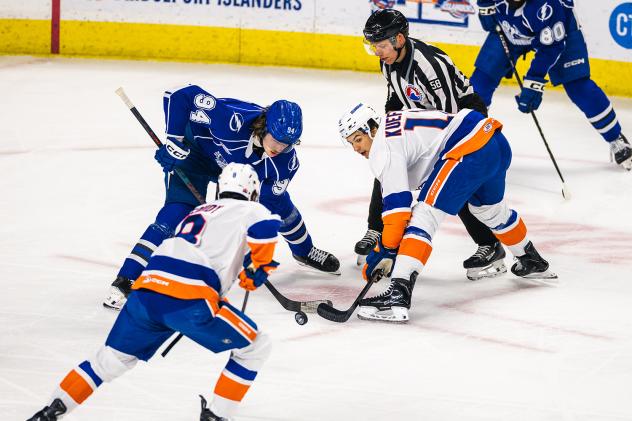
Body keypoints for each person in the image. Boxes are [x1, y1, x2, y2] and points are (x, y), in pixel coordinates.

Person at [28, 163, 281, 421]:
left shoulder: (199, 210)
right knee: (256, 347)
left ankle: (49, 412)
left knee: (108, 360)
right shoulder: (252, 208)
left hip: (147, 288)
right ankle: (218, 416)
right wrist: (258, 268)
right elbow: (266, 230)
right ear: (252, 191)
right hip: (189, 295)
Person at [104, 85, 340, 310]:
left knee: (280, 207)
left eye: (287, 143)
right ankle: (127, 279)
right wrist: (174, 142)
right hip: (195, 154)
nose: (280, 147)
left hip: (238, 172)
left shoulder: (285, 163)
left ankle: (304, 251)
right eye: (276, 140)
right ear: (264, 127)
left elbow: (259, 206)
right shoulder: (231, 120)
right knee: (175, 214)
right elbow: (182, 96)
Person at [338, 103, 557, 323]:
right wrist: (389, 248)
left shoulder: (383, 148)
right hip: (494, 142)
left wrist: (385, 250)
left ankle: (398, 294)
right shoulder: (394, 122)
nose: (356, 148)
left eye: (358, 139)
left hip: (469, 150)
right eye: (351, 143)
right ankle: (530, 259)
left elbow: (397, 214)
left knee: (424, 214)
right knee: (488, 210)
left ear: (373, 129)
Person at [358, 8, 508, 282]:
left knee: (451, 184)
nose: (377, 52)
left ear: (399, 39)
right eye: (373, 47)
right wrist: (388, 136)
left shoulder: (429, 65)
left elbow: (452, 117)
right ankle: (376, 229)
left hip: (464, 122)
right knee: (389, 165)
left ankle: (491, 246)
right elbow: (395, 99)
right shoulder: (388, 60)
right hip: (428, 120)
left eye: (380, 45)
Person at [471, 0, 632, 170]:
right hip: (509, 29)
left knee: (579, 87)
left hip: (559, 32)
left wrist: (534, 82)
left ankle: (616, 138)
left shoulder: (546, 5)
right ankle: (467, 137)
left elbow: (551, 48)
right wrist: (485, 4)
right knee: (480, 84)